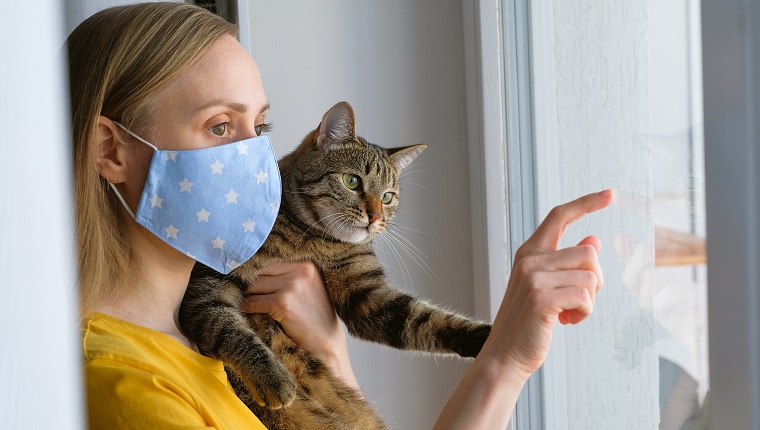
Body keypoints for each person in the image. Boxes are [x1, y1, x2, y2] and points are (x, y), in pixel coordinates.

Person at [69, 3, 612, 429]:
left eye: (259, 128)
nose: (255, 158)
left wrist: (506, 358)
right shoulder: (129, 387)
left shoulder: (186, 342)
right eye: (219, 126)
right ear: (112, 150)